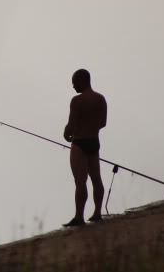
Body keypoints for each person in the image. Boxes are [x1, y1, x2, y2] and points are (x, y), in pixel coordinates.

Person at [62, 69, 107, 227]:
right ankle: (97, 213)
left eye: (74, 82)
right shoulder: (101, 99)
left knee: (80, 182)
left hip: (80, 143)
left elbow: (71, 125)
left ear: (82, 80)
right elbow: (103, 123)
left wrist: (66, 134)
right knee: (96, 179)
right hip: (94, 141)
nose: (73, 86)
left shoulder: (77, 101)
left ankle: (79, 217)